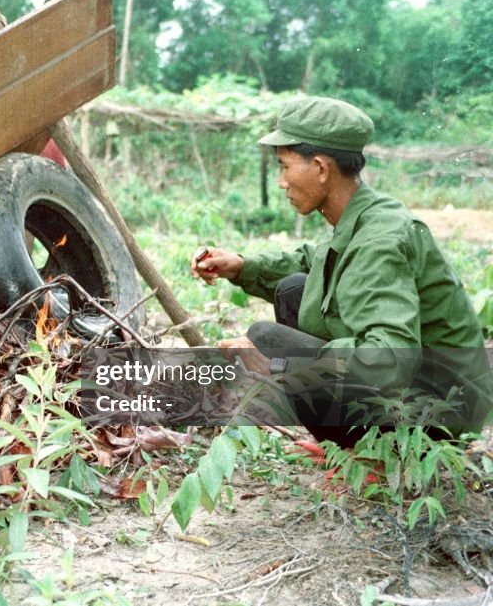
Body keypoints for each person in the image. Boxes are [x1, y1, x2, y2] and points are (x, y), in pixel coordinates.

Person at [190, 96, 492, 446]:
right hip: (423, 387)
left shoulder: (379, 240)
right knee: (293, 290)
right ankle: (344, 444)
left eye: (285, 167)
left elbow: (390, 359)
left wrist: (277, 367)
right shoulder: (361, 213)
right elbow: (315, 260)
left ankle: (378, 453)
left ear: (320, 168)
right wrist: (241, 267)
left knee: (266, 339)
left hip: (437, 411)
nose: (281, 182)